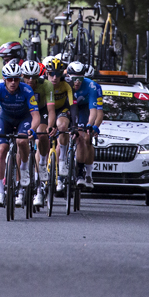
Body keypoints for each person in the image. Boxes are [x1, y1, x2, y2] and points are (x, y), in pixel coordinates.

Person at [0, 60, 41, 207]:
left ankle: (23, 173)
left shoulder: (27, 90)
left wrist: (32, 129)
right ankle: (0, 192)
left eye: (16, 79)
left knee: (22, 141)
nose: (13, 82)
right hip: (6, 120)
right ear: (4, 79)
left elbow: (36, 116)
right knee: (2, 149)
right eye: (9, 79)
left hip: (24, 119)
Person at [21, 58, 73, 207]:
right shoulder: (18, 83)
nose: (31, 80)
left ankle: (42, 168)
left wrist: (50, 127)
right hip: (24, 112)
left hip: (41, 111)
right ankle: (17, 184)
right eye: (27, 77)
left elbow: (50, 111)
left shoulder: (46, 85)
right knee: (19, 141)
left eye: (34, 77)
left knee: (41, 134)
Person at [39, 56, 76, 193]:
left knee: (62, 127)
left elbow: (72, 105)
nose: (54, 78)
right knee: (41, 135)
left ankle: (62, 160)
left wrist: (74, 124)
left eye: (58, 74)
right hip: (45, 111)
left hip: (61, 110)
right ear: (46, 74)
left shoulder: (67, 84)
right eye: (51, 74)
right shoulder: (41, 84)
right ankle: (42, 164)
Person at [66, 61, 103, 188]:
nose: (77, 82)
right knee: (61, 133)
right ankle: (59, 171)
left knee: (85, 137)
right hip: (68, 108)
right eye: (74, 78)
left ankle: (86, 173)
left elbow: (96, 112)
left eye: (80, 78)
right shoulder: (62, 83)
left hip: (84, 109)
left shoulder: (92, 86)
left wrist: (91, 126)